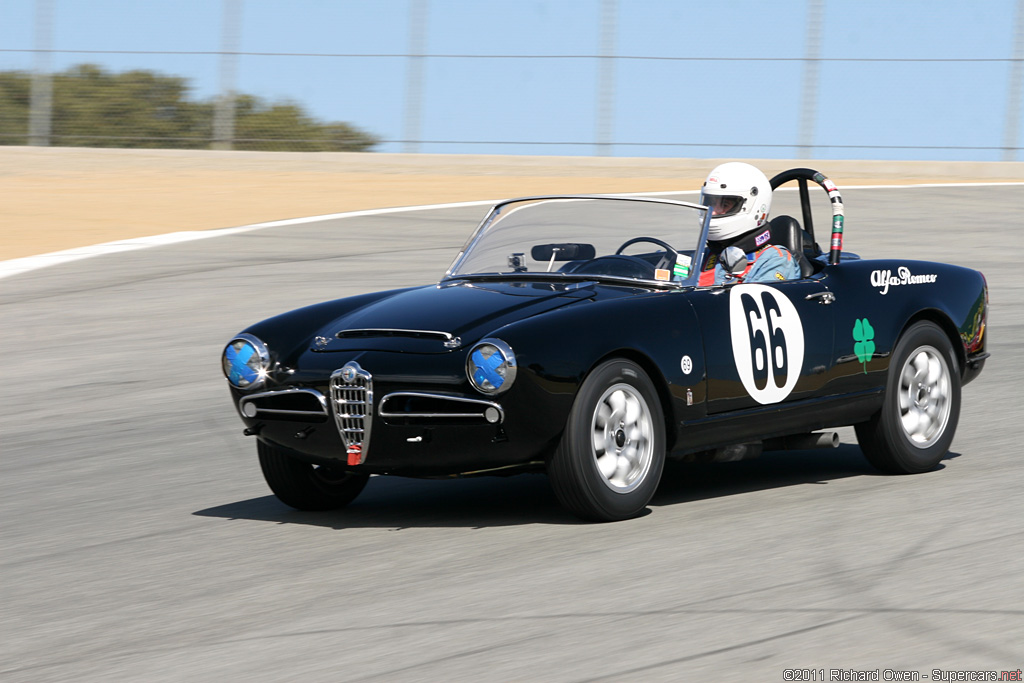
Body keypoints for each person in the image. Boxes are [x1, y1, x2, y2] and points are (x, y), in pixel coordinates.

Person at [696, 162, 801, 286]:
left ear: (754, 207)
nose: (712, 212)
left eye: (725, 205)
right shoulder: (704, 256)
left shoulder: (776, 260)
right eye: (711, 203)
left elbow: (757, 302)